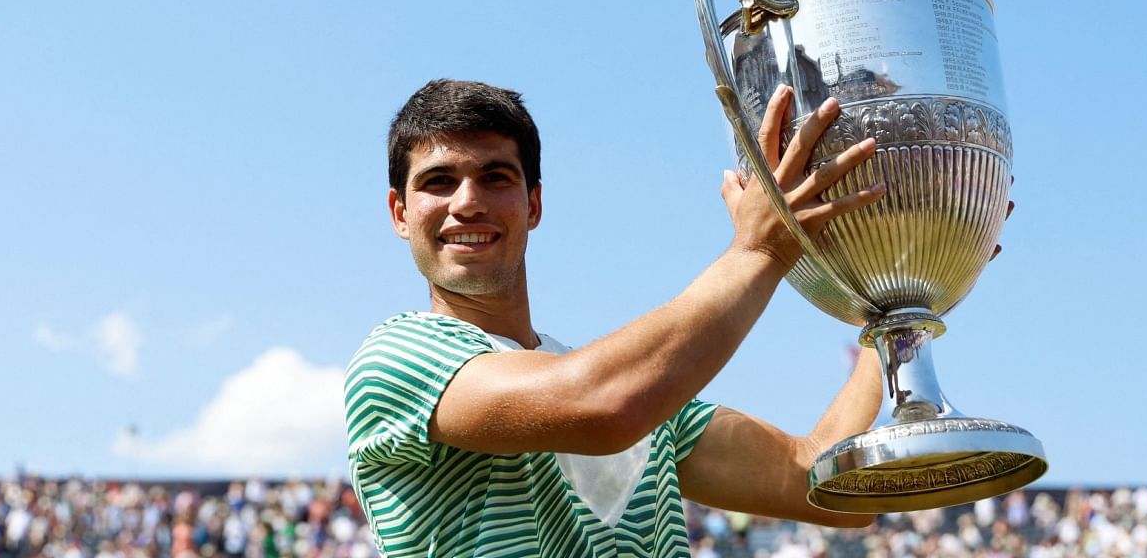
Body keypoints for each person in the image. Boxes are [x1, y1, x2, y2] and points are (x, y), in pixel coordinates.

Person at [344, 78, 888, 557]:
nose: (467, 202)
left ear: (533, 205)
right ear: (400, 213)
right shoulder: (396, 361)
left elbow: (828, 487)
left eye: (496, 177)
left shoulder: (648, 394)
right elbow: (603, 406)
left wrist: (897, 309)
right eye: (438, 181)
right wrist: (759, 252)